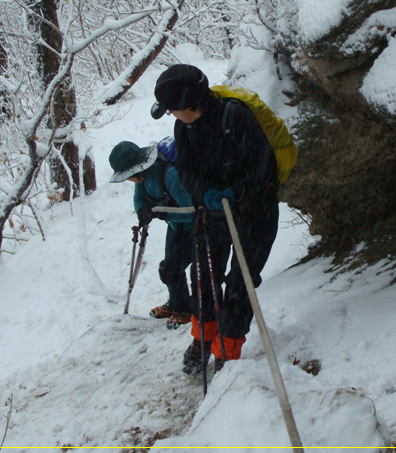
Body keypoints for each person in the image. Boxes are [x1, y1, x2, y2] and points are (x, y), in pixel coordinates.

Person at [151, 64, 279, 374]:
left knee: (239, 285)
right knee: (204, 276)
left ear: (191, 104)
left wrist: (234, 193)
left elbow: (264, 167)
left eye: (173, 109)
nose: (172, 115)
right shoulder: (184, 127)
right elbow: (185, 170)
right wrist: (203, 193)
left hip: (254, 213)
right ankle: (203, 339)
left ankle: (227, 352)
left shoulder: (234, 118)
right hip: (212, 213)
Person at [108, 139, 194, 329]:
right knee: (169, 269)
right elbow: (139, 199)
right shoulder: (143, 178)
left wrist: (162, 212)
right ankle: (176, 304)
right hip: (175, 227)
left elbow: (192, 211)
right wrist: (143, 211)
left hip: (193, 230)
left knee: (172, 268)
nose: (129, 180)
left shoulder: (169, 174)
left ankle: (185, 310)